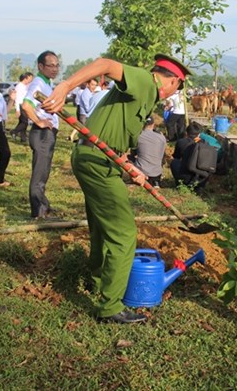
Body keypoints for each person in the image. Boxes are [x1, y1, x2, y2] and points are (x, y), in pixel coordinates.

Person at [42, 54, 191, 324]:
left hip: (97, 158)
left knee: (101, 226)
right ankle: (110, 306)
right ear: (172, 81)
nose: (172, 93)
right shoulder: (147, 82)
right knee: (123, 234)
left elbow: (113, 136)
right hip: (97, 163)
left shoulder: (143, 96)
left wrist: (128, 166)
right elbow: (105, 64)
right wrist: (65, 86)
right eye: (177, 88)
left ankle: (99, 281)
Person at [22, 51, 60, 219]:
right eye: (51, 65)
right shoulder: (37, 84)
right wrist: (39, 121)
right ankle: (38, 212)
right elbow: (26, 105)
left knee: (44, 172)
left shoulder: (46, 83)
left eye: (57, 65)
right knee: (40, 174)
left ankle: (43, 207)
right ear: (40, 66)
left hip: (48, 133)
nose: (55, 69)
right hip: (42, 134)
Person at [129, 117, 166, 188]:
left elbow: (133, 153)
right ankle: (156, 182)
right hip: (156, 173)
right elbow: (162, 155)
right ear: (153, 124)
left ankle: (135, 178)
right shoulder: (162, 137)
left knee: (129, 158)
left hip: (141, 173)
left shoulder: (137, 136)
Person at [11, 72, 34, 142]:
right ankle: (14, 131)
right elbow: (17, 99)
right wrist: (17, 109)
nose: (31, 79)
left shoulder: (25, 86)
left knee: (22, 122)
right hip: (21, 105)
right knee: (25, 122)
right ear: (26, 78)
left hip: (24, 105)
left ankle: (23, 137)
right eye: (30, 78)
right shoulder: (19, 86)